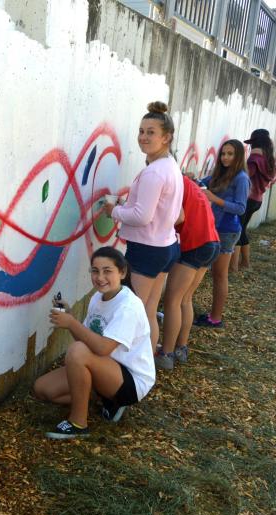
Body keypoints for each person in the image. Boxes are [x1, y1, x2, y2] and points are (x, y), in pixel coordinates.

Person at [32, 247, 154, 439]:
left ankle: (78, 423)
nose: (100, 277)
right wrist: (71, 318)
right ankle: (101, 398)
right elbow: (86, 340)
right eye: (95, 271)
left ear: (122, 273)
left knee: (77, 352)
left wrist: (71, 323)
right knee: (42, 389)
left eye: (107, 271)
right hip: (104, 366)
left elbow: (102, 348)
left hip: (130, 381)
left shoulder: (129, 306)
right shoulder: (98, 297)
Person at [102, 101, 183, 352]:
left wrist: (114, 211)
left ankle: (133, 366)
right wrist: (128, 204)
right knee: (148, 311)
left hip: (147, 249)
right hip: (165, 246)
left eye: (151, 132)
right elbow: (158, 210)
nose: (143, 137)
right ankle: (148, 363)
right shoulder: (170, 166)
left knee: (133, 312)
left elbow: (142, 216)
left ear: (166, 137)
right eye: (141, 131)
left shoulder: (154, 172)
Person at [156, 172, 220, 369]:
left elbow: (177, 217)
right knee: (185, 299)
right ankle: (181, 348)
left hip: (195, 244)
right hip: (211, 243)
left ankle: (166, 354)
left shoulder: (173, 183)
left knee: (172, 301)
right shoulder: (189, 184)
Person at [194, 139, 249, 329]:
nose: (225, 157)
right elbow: (203, 183)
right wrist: (193, 179)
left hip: (227, 231)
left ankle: (215, 318)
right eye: (223, 154)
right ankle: (213, 315)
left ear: (238, 156)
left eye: (230, 154)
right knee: (215, 274)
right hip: (216, 228)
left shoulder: (241, 178)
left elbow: (241, 208)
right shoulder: (221, 173)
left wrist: (215, 199)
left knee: (219, 275)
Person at [230, 129, 276, 271]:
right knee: (242, 229)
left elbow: (245, 178)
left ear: (254, 143)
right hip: (257, 199)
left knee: (237, 230)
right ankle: (245, 263)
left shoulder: (254, 159)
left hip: (247, 199)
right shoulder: (268, 160)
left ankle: (234, 266)